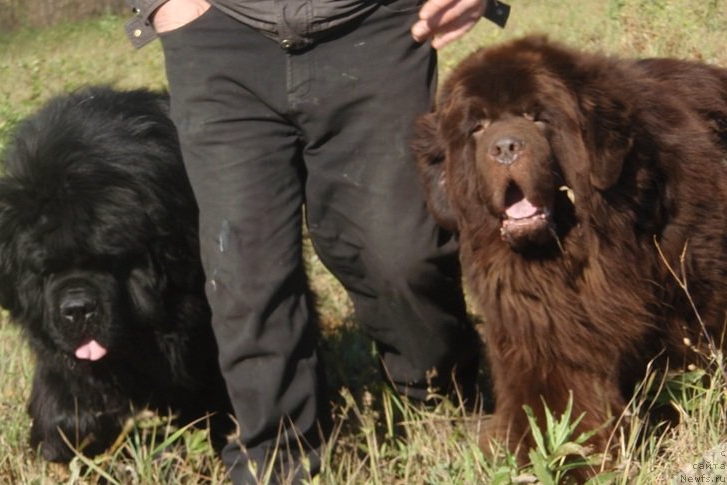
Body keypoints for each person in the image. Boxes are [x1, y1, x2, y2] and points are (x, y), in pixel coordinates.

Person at [124, 1, 509, 483]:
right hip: (219, 36)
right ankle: (277, 460)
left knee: (401, 253)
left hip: (375, 24)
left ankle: (439, 398)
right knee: (245, 272)